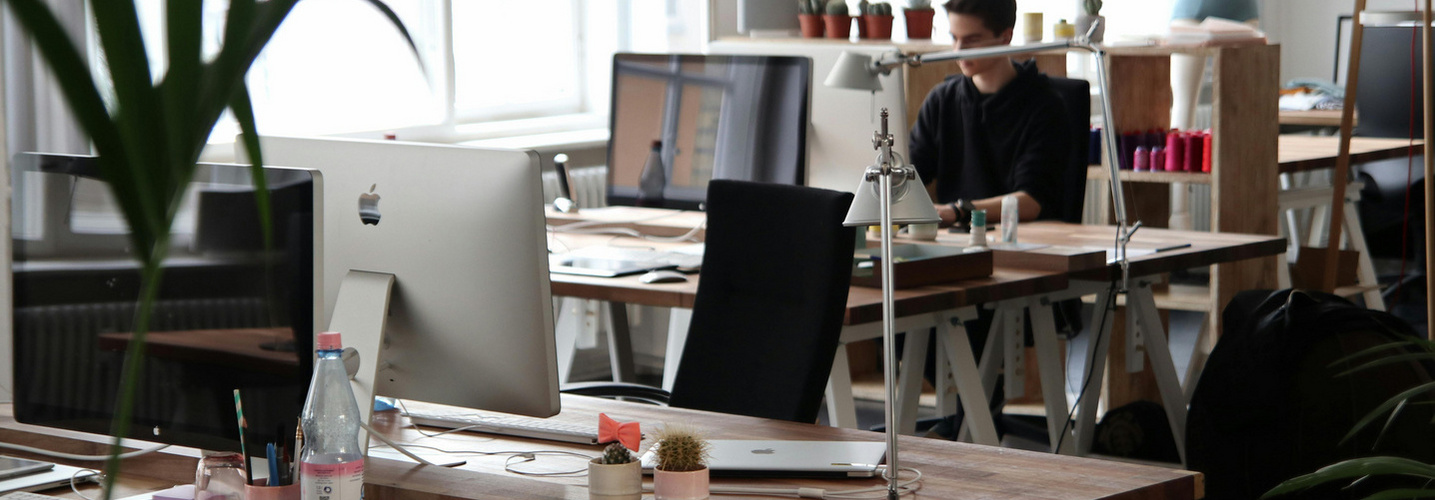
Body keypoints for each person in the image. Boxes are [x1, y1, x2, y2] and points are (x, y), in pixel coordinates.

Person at [909, 0, 1070, 228]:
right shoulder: (941, 101)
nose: (958, 50)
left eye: (972, 40)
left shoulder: (1046, 106)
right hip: (953, 243)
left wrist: (959, 211)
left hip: (1024, 243)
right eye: (954, 38)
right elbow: (909, 174)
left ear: (1005, 37)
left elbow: (1031, 201)